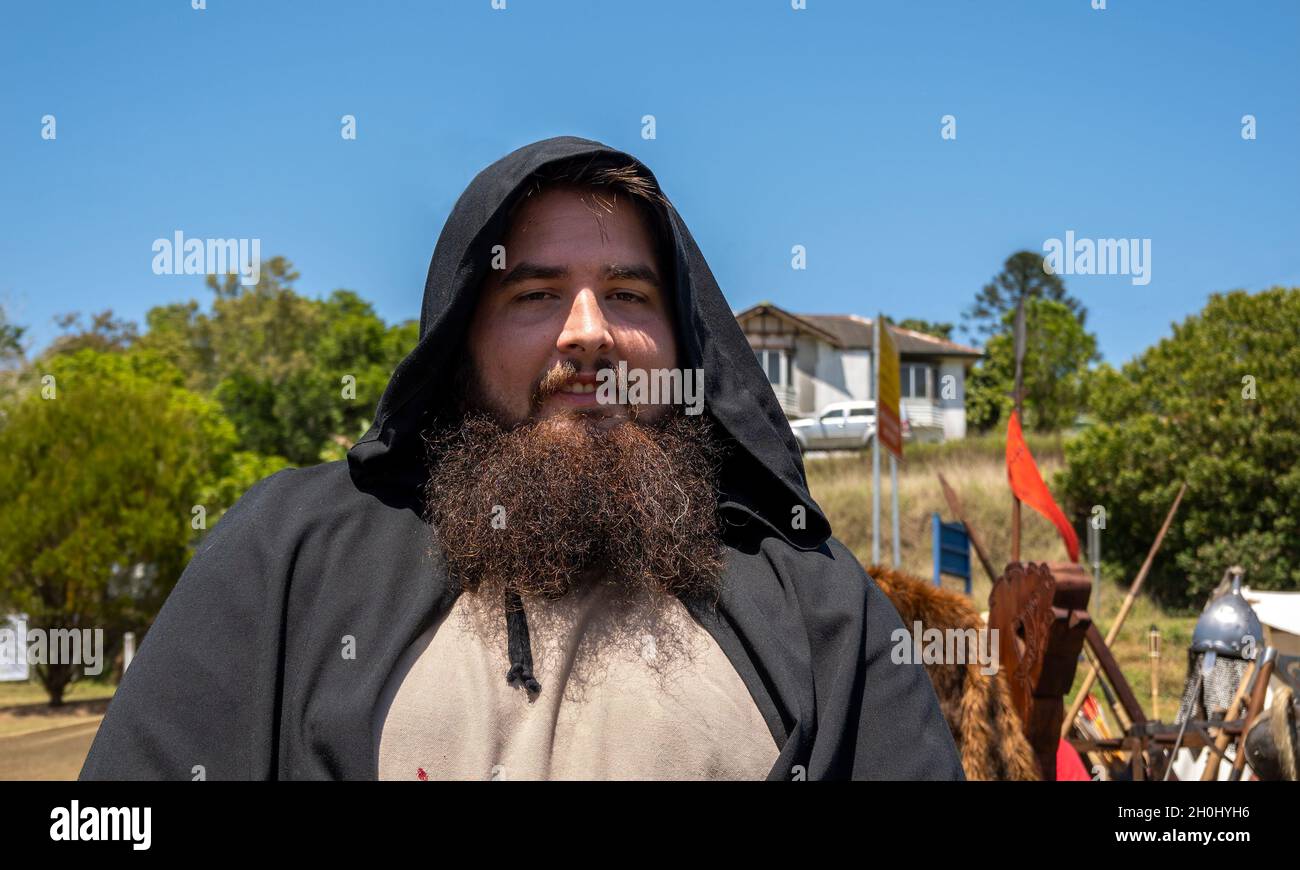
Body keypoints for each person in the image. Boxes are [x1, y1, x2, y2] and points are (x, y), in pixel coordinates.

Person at [80, 136, 963, 780]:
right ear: (462, 340)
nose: (588, 334)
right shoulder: (292, 556)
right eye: (536, 294)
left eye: (627, 294)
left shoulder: (817, 605)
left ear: (682, 343)